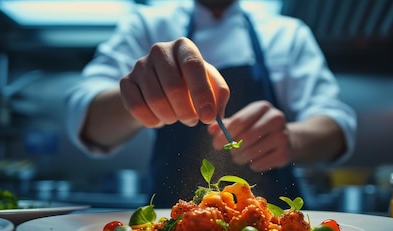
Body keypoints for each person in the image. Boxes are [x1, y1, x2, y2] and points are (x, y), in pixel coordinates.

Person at [66, 0, 357, 208]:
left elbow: (336, 124)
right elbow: (83, 116)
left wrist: (292, 140)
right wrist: (137, 95)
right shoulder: (147, 24)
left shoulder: (288, 33)